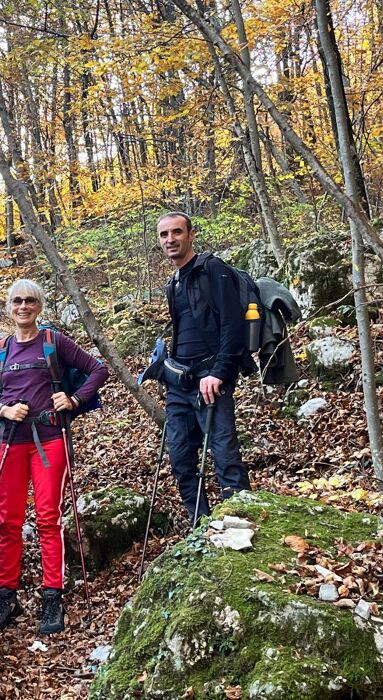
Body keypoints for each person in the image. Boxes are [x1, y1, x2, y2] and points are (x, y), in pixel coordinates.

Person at [0, 279, 107, 635]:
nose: (23, 306)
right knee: (8, 521)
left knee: (49, 517)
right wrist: (3, 410)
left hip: (49, 439)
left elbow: (98, 370)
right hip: (7, 440)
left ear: (39, 305)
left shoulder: (53, 341)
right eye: (17, 301)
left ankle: (52, 595)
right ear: (8, 307)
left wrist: (74, 399)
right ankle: (7, 594)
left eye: (30, 300)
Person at [158, 211, 251, 523]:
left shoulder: (213, 268)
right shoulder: (173, 283)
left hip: (212, 378)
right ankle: (202, 525)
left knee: (225, 455)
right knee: (181, 458)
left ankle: (239, 522)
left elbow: (233, 324)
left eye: (176, 232)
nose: (170, 239)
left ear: (190, 234)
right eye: (164, 235)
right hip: (179, 383)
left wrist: (218, 372)